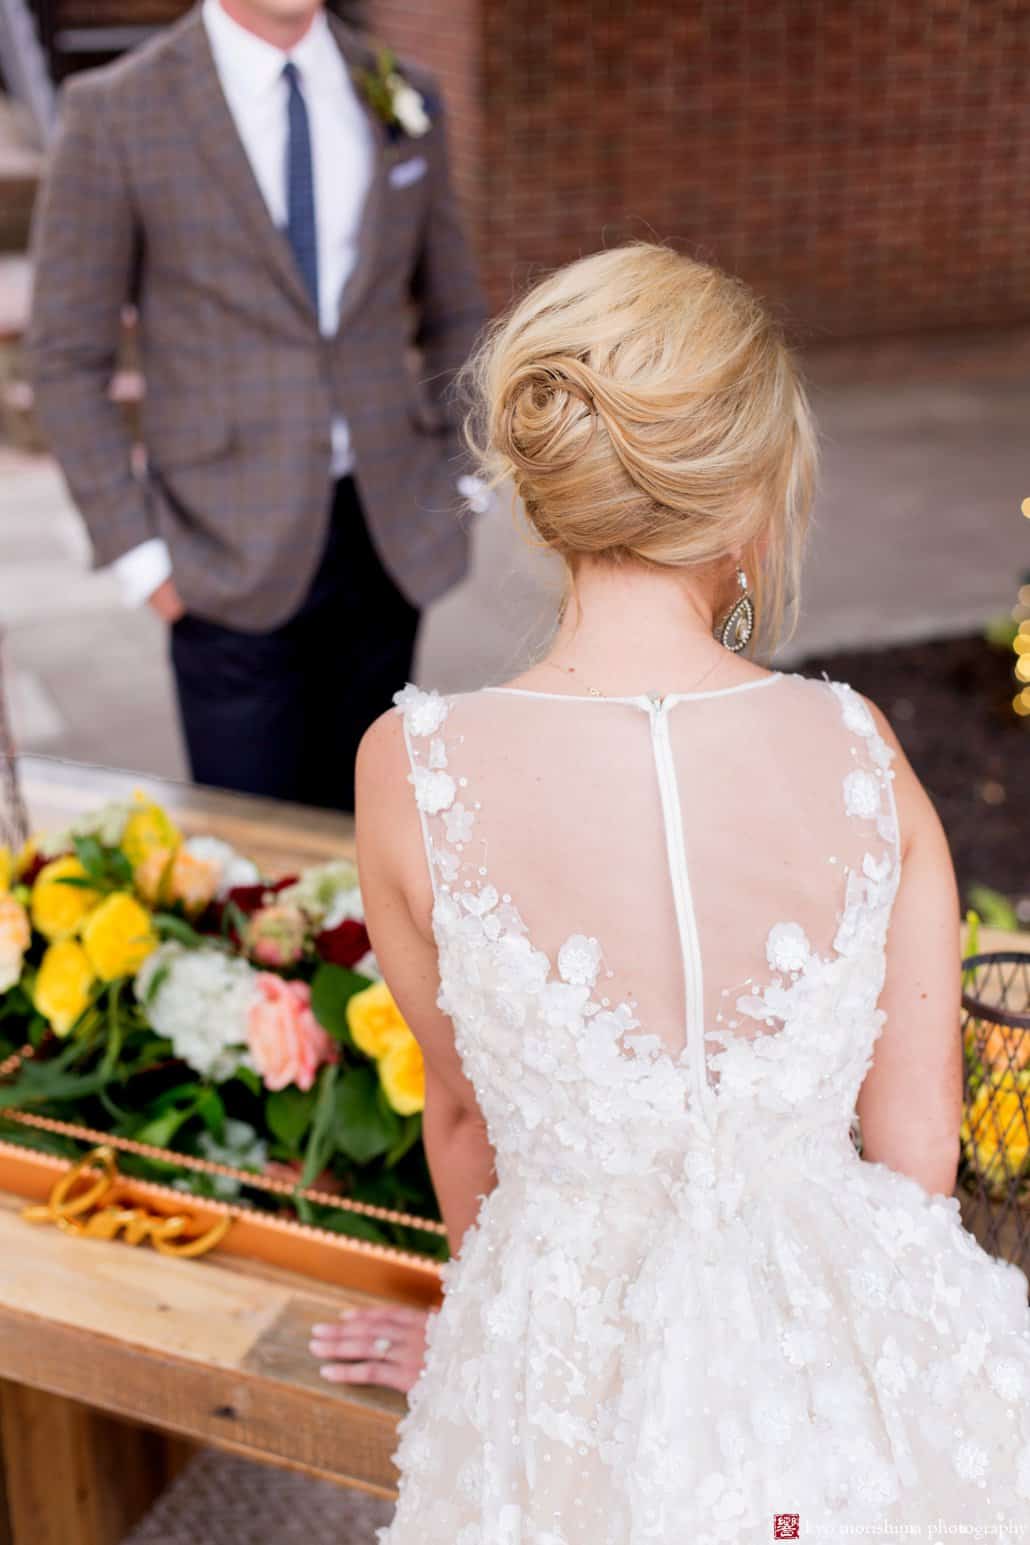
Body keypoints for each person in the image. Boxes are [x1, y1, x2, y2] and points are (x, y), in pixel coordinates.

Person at [311, 244, 1030, 1538]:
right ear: (752, 495)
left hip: (563, 1369)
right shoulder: (862, 753)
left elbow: (468, 1126)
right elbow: (916, 1155)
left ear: (547, 490)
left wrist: (502, 1356)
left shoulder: (408, 767)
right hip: (832, 1386)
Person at [25, 0, 487, 812]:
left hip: (389, 534)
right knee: (256, 869)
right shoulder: (118, 110)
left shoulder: (398, 88)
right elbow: (66, 358)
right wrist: (141, 555)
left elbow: (455, 311)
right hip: (219, 551)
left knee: (367, 835)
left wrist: (464, 477)